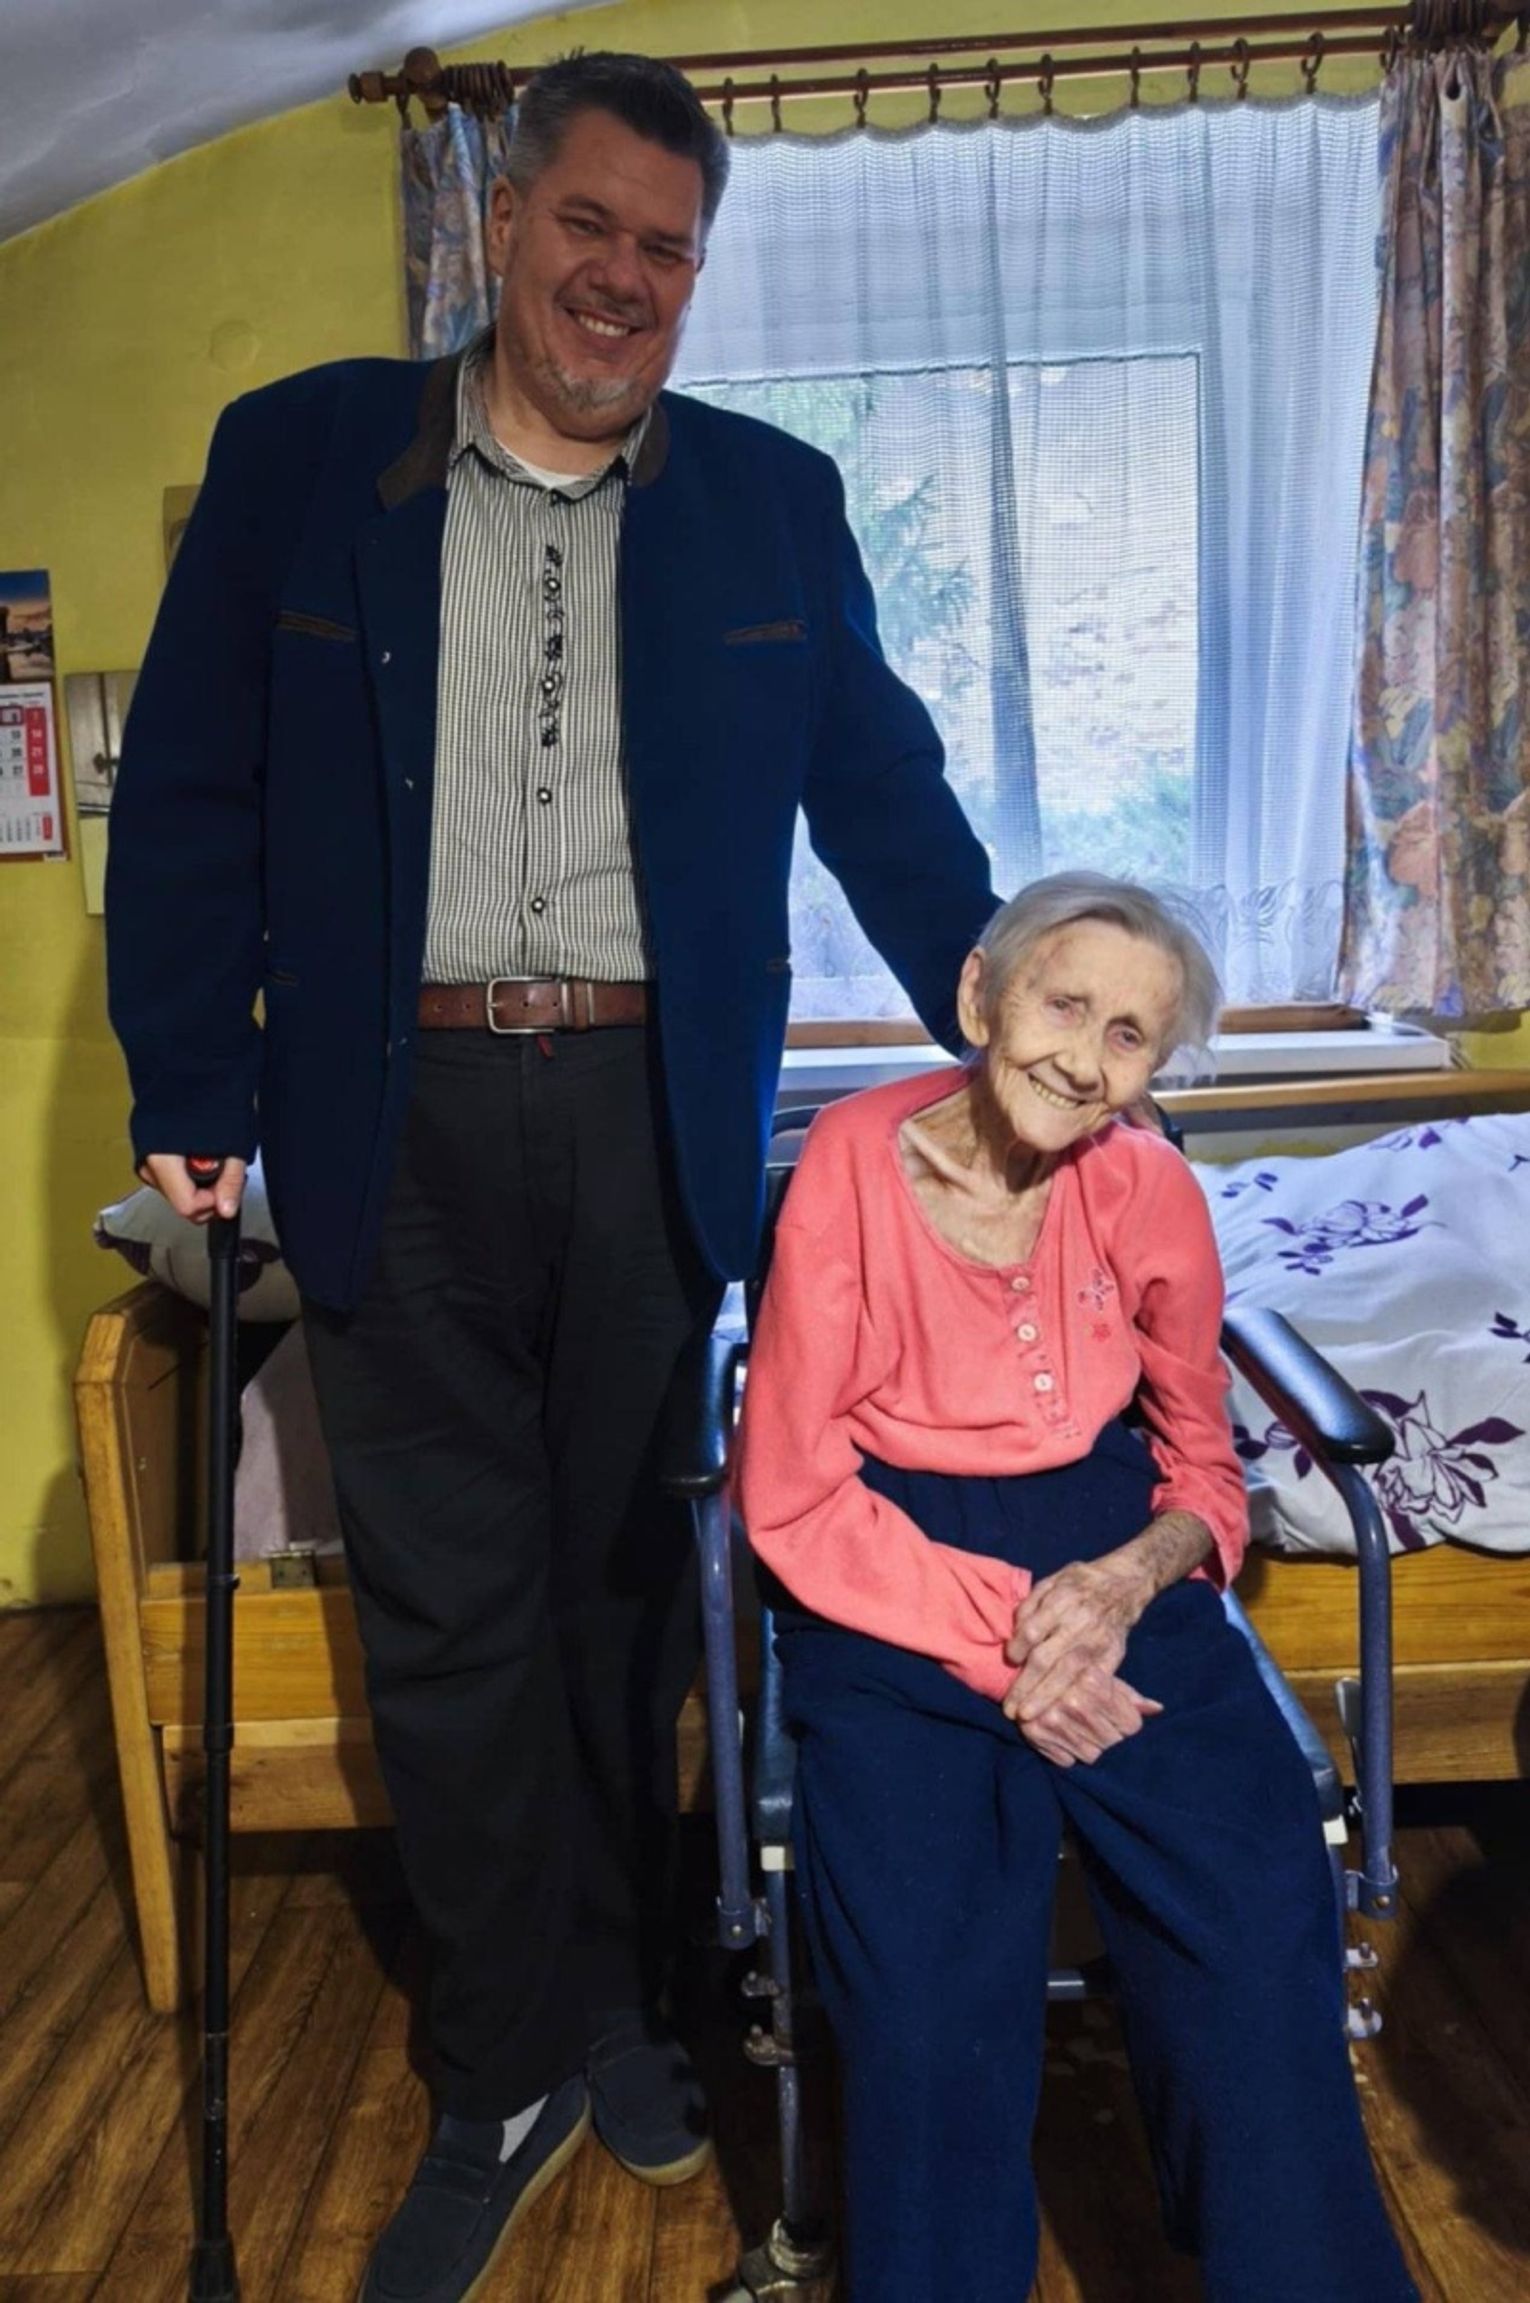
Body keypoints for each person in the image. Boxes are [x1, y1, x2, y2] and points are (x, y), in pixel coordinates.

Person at [105, 52, 997, 2303]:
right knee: (446, 1606)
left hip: (643, 1115)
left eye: (666, 249)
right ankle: (496, 2057)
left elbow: (882, 796)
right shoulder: (306, 455)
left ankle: (622, 2000)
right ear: (502, 221)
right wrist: (188, 1071)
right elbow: (193, 786)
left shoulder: (771, 503)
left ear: (697, 275)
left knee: (626, 1599)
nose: (622, 278)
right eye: (588, 225)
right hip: (384, 1108)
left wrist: (1015, 1018)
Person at [735, 874, 1418, 2303]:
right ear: (980, 997)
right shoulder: (847, 1165)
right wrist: (1012, 1641)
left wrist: (1121, 1581)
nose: (1083, 1057)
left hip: (1109, 1542)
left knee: (1253, 1920)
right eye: (1063, 1005)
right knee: (925, 1993)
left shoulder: (1147, 1186)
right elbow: (792, 1491)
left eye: (1128, 1035)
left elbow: (1201, 1467)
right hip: (881, 1553)